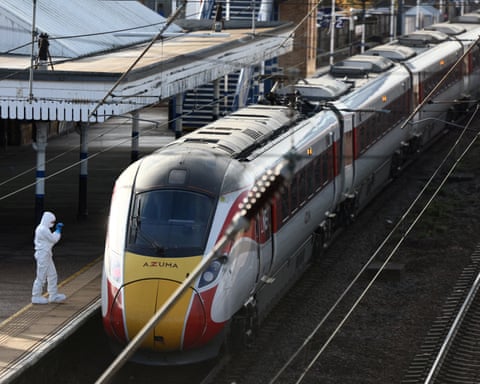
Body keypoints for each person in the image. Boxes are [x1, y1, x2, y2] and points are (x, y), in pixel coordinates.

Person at [31, 211, 67, 304]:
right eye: (52, 222)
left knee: (52, 274)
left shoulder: (43, 228)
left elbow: (51, 240)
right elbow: (53, 239)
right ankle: (36, 296)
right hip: (43, 255)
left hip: (46, 254)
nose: (52, 224)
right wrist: (58, 231)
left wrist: (55, 232)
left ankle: (53, 295)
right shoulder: (43, 230)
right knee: (41, 276)